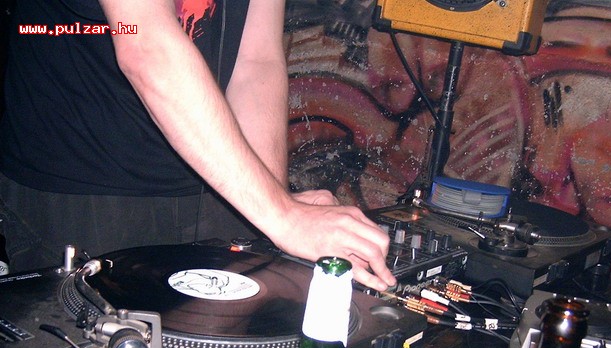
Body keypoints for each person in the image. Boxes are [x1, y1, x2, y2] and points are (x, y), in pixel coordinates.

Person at [0, 0, 395, 292]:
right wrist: (284, 216)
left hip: (218, 177)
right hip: (83, 183)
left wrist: (271, 203)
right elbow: (146, 45)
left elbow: (255, 63)